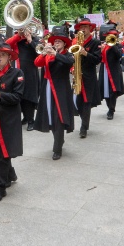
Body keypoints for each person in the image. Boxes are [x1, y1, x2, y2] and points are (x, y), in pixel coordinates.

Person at [0, 44, 24, 201]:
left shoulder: (17, 73)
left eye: (3, 54)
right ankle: (10, 174)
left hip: (8, 118)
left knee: (2, 152)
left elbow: (18, 97)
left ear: (9, 58)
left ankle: (0, 187)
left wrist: (0, 94)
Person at [34, 30, 75, 160]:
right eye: (55, 41)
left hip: (61, 89)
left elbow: (69, 63)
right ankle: (59, 140)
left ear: (64, 44)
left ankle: (57, 148)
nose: (56, 43)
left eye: (58, 41)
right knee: (51, 116)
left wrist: (55, 54)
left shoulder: (68, 54)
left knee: (59, 117)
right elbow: (37, 63)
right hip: (47, 88)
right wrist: (44, 53)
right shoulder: (49, 54)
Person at [5, 26, 40, 131]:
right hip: (17, 71)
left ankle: (31, 120)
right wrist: (18, 35)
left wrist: (30, 40)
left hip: (30, 71)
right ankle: (25, 117)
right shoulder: (17, 39)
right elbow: (7, 44)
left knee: (29, 96)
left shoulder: (35, 39)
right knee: (19, 95)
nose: (25, 31)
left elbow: (39, 52)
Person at [71, 19, 101, 138]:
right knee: (78, 102)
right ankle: (84, 122)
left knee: (86, 102)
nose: (83, 29)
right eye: (81, 27)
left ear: (90, 29)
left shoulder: (95, 42)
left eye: (85, 27)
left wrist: (86, 53)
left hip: (89, 76)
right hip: (77, 75)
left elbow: (97, 60)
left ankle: (84, 127)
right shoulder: (76, 42)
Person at [99, 29, 124, 120]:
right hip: (104, 70)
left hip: (114, 70)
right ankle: (109, 107)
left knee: (113, 91)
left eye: (113, 36)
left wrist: (112, 45)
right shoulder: (103, 45)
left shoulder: (118, 46)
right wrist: (101, 50)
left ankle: (111, 109)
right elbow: (98, 58)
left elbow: (119, 56)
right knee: (105, 90)